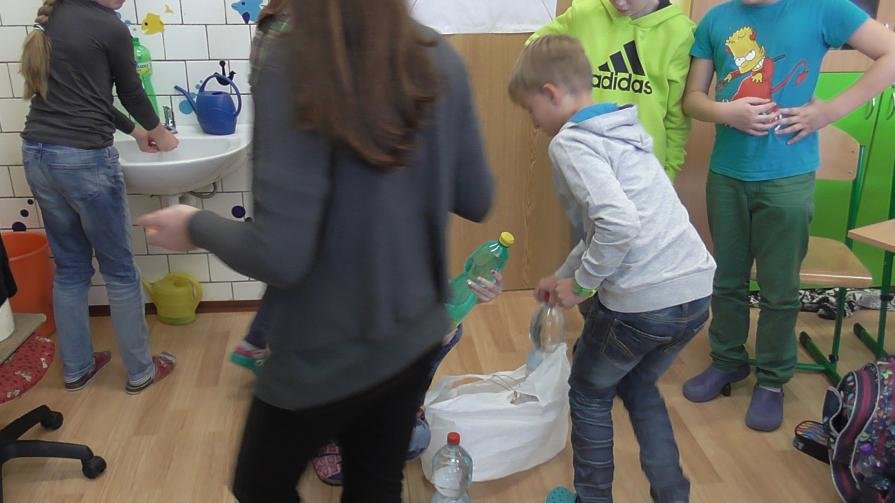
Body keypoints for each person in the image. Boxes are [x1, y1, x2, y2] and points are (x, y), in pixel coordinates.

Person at [137, 0, 494, 499]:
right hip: (413, 338)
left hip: (322, 352)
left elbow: (280, 255)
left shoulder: (294, 62)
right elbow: (477, 197)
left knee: (260, 486)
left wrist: (195, 224)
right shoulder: (439, 57)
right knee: (376, 484)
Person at [508, 35, 716, 503]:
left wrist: (581, 286)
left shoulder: (571, 143)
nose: (533, 123)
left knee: (588, 391)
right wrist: (566, 275)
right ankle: (673, 495)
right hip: (694, 292)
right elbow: (602, 229)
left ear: (550, 94)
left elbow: (618, 224)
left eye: (529, 110)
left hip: (642, 303)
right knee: (639, 386)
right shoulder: (622, 131)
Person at [681, 0, 895, 432]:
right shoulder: (716, 19)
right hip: (727, 175)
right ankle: (727, 359)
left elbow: (890, 53)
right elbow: (692, 99)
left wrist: (829, 111)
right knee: (727, 279)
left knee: (779, 288)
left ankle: (772, 379)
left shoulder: (823, 8)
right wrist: (727, 112)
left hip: (787, 179)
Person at [20, 0, 178, 394]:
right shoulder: (109, 26)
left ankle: (77, 368)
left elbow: (88, 97)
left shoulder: (56, 16)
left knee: (71, 269)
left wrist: (135, 132)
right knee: (120, 271)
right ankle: (141, 371)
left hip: (38, 154)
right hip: (84, 159)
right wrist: (160, 133)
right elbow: (132, 92)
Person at [530, 0, 694, 182]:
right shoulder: (584, 12)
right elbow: (534, 50)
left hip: (643, 172)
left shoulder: (680, 32)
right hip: (584, 162)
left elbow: (677, 119)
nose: (619, 3)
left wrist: (668, 174)